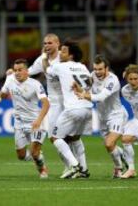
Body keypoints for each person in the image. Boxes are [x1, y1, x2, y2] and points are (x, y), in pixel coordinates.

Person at [0, 59, 50, 178]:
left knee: (34, 153)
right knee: (21, 156)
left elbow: (46, 104)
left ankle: (42, 168)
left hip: (36, 123)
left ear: (27, 71)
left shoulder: (35, 84)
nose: (17, 72)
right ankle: (37, 156)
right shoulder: (10, 81)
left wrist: (39, 120)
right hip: (19, 123)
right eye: (15, 70)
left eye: (20, 70)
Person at [73, 55, 135, 179]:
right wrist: (79, 89)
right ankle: (123, 158)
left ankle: (119, 168)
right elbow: (86, 90)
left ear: (107, 68)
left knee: (109, 143)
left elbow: (101, 97)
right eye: (95, 69)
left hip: (116, 115)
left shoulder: (113, 80)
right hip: (102, 117)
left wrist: (84, 96)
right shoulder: (92, 76)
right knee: (110, 146)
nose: (97, 72)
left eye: (100, 69)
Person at [45, 40, 92, 179]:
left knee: (55, 137)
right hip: (88, 109)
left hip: (73, 109)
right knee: (74, 138)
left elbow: (47, 69)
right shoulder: (83, 67)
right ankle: (84, 169)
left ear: (71, 55)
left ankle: (74, 165)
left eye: (64, 51)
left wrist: (44, 57)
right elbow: (89, 85)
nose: (60, 53)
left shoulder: (61, 67)